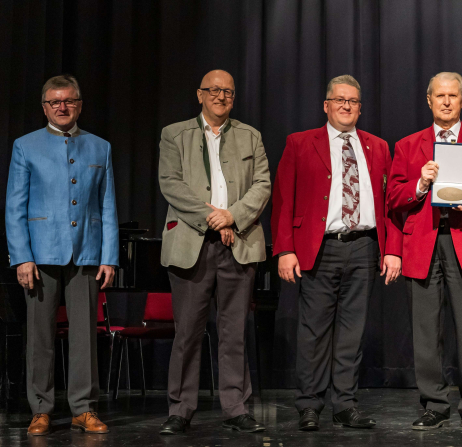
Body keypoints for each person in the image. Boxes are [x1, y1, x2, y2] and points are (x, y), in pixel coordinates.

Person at [272, 74, 402, 431]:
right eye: (340, 100)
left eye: (353, 101)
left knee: (351, 333)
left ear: (360, 108)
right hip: (320, 248)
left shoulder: (378, 146)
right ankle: (310, 405)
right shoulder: (300, 143)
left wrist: (392, 250)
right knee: (313, 332)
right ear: (326, 105)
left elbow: (389, 204)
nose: (346, 106)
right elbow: (283, 199)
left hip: (364, 248)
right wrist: (285, 249)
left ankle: (345, 404)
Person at [387, 72, 462, 431]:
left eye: (452, 96)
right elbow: (393, 197)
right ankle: (434, 403)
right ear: (428, 100)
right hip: (423, 242)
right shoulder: (408, 146)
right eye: (439, 95)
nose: (445, 101)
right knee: (426, 330)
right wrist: (420, 184)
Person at [157, 70, 271, 435]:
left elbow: (262, 185)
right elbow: (170, 184)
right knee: (187, 332)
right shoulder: (174, 134)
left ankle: (236, 407)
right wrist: (213, 219)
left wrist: (232, 217)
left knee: (234, 332)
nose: (221, 96)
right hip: (192, 245)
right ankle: (181, 408)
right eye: (214, 90)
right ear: (200, 94)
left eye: (228, 92)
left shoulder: (250, 136)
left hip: (239, 244)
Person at [6, 74, 119, 436]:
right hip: (40, 255)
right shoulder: (26, 146)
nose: (62, 106)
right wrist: (22, 257)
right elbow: (15, 207)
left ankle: (83, 409)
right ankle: (41, 409)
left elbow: (108, 205)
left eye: (68, 100)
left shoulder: (100, 147)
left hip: (86, 252)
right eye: (55, 102)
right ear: (45, 107)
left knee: (85, 336)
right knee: (40, 336)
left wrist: (109, 256)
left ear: (79, 104)